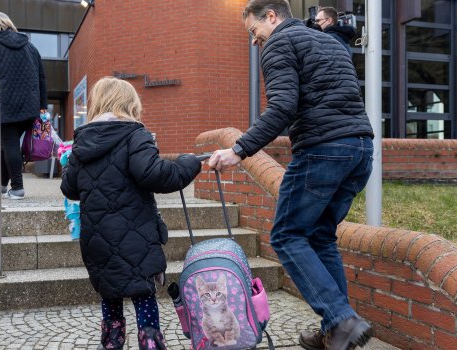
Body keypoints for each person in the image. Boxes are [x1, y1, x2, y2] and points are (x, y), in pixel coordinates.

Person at [208, 1, 375, 350]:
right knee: (320, 236)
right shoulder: (331, 41)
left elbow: (282, 107)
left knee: (286, 235)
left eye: (254, 32)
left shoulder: (280, 43)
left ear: (271, 16)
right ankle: (335, 329)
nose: (255, 42)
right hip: (359, 150)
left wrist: (238, 150)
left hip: (323, 149)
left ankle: (341, 320)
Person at [61, 77, 201, 350]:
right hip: (136, 237)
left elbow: (70, 187)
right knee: (143, 294)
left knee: (110, 295)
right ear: (130, 104)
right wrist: (188, 163)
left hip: (97, 240)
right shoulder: (135, 135)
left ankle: (112, 342)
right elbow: (156, 174)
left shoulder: (82, 143)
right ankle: (150, 341)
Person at [0, 12, 47, 200]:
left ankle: (18, 187)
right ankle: (1, 186)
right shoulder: (30, 46)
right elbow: (41, 77)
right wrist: (42, 106)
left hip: (1, 105)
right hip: (28, 106)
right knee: (8, 145)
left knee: (9, 144)